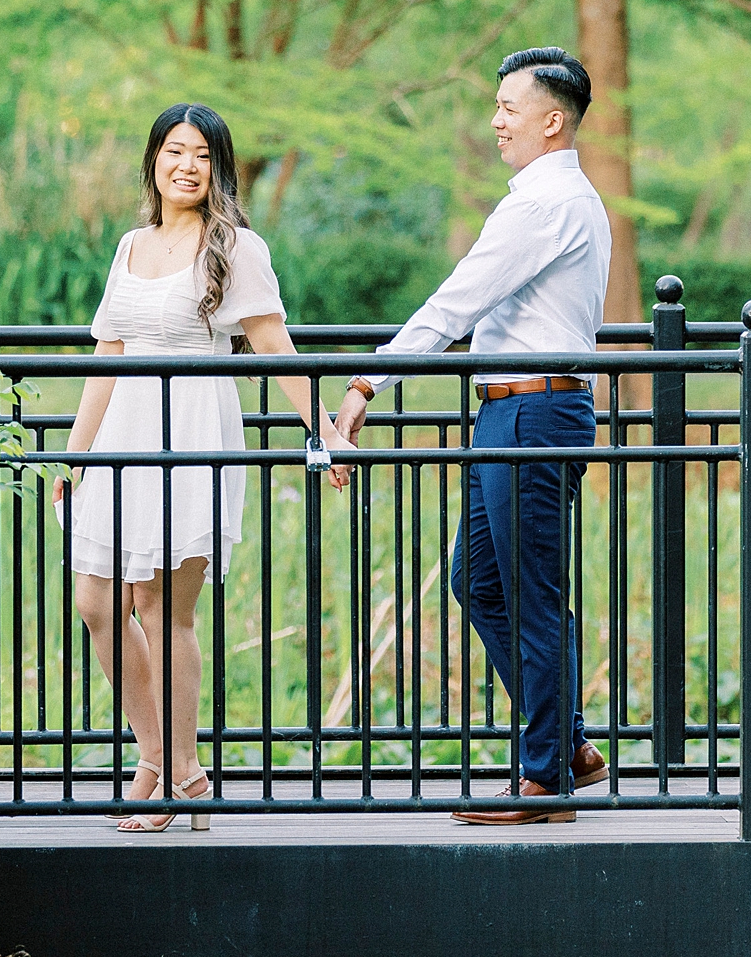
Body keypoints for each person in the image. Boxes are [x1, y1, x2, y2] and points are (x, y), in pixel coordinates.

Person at [55, 102, 351, 833]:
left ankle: (167, 769)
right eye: (173, 151)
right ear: (153, 159)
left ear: (219, 168)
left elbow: (275, 345)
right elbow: (108, 356)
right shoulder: (130, 244)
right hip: (126, 430)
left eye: (202, 155)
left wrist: (328, 429)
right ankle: (164, 758)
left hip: (191, 427)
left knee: (162, 608)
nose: (185, 165)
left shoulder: (234, 248)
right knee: (97, 602)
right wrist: (75, 455)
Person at [334, 47, 611, 825]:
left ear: (551, 121)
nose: (496, 121)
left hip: (532, 412)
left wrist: (366, 384)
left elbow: (457, 301)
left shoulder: (544, 203)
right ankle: (569, 748)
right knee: (479, 580)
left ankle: (545, 777)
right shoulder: (558, 197)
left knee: (527, 593)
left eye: (509, 108)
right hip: (511, 409)